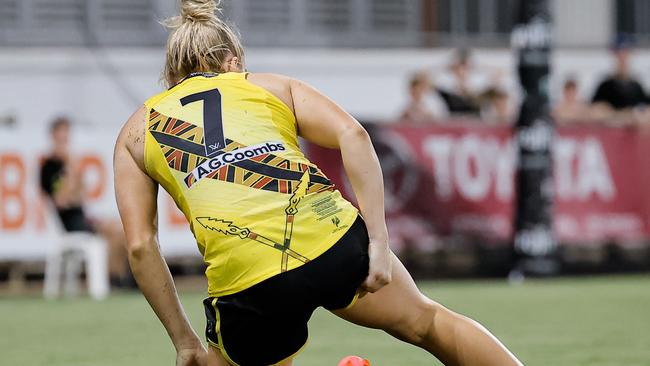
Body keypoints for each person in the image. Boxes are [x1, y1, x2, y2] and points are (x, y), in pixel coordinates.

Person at [113, 1, 523, 365]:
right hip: (331, 236)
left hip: (248, 277)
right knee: (428, 322)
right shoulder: (269, 85)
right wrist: (378, 242)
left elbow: (140, 246)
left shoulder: (136, 130)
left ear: (171, 75)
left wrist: (185, 342)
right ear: (233, 62)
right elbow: (354, 136)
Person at [40, 117, 131, 287]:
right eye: (62, 135)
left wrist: (72, 176)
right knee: (112, 232)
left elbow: (81, 195)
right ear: (53, 136)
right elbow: (61, 200)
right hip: (70, 222)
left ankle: (116, 276)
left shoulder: (71, 164)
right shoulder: (48, 167)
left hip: (81, 216)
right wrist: (69, 167)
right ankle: (114, 280)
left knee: (119, 230)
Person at [591, 35, 649, 124]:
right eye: (619, 53)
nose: (623, 57)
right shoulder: (605, 86)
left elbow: (645, 111)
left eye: (626, 53)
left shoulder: (637, 87)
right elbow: (595, 112)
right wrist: (624, 115)